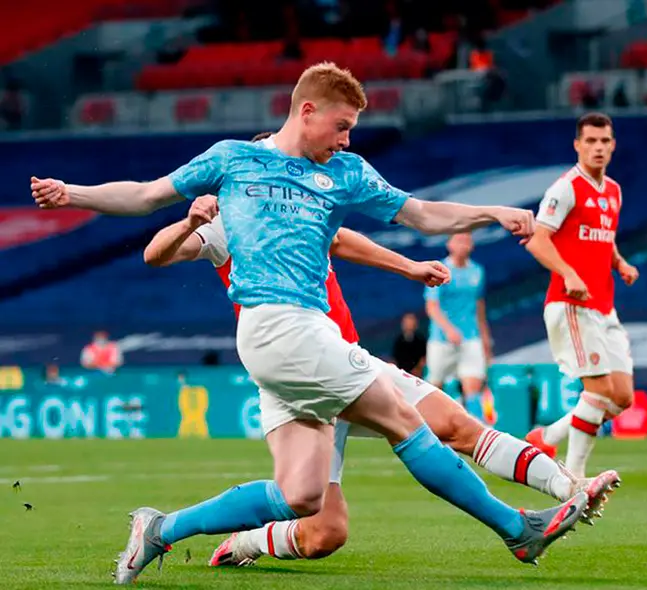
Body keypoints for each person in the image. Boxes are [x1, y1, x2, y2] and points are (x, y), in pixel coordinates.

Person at [31, 62, 590, 584]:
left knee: (303, 498)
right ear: (306, 112)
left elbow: (419, 213)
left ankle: (160, 529)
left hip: (306, 339)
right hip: (279, 327)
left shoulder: (344, 173)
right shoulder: (231, 160)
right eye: (341, 126)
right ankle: (519, 530)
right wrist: (72, 193)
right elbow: (145, 197)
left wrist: (490, 213)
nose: (347, 139)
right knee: (407, 420)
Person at [143, 195, 621, 568]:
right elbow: (158, 253)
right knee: (323, 532)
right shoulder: (229, 223)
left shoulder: (301, 208)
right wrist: (189, 221)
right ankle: (240, 537)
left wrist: (409, 266)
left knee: (456, 425)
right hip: (305, 383)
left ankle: (566, 490)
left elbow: (344, 241)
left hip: (349, 362)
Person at [523, 112, 639, 478]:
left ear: (614, 144)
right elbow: (537, 241)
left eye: (604, 141)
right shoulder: (566, 188)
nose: (598, 148)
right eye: (590, 141)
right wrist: (569, 273)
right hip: (571, 304)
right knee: (599, 390)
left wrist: (619, 262)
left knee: (622, 397)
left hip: (604, 305)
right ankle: (572, 481)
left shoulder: (614, 191)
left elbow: (603, 237)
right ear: (577, 145)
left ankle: (548, 436)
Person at [424, 233, 492, 421]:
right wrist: (448, 329)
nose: (464, 245)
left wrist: (485, 338)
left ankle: (478, 434)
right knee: (434, 386)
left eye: (468, 241)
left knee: (473, 385)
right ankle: (428, 428)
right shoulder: (439, 269)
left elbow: (479, 306)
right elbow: (432, 306)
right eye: (459, 241)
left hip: (471, 337)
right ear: (449, 244)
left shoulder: (477, 271)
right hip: (441, 339)